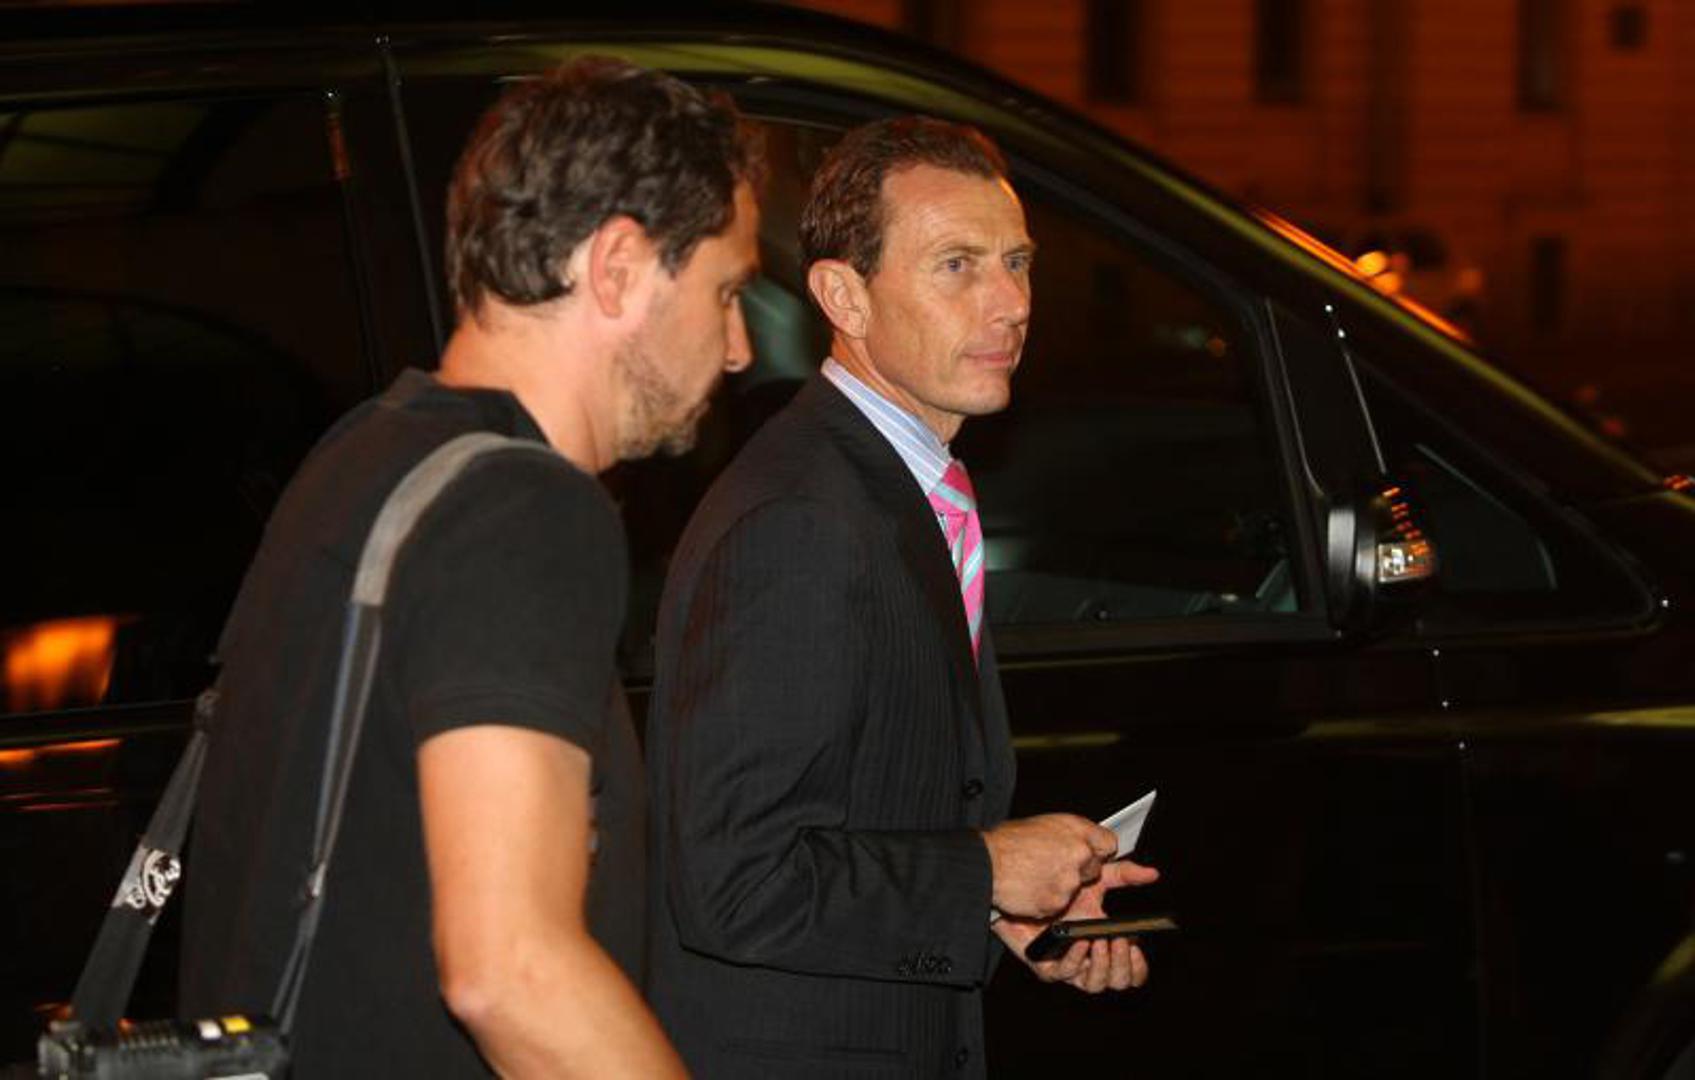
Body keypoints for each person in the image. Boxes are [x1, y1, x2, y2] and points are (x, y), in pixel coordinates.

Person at [180, 58, 762, 1077]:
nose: (741, 346)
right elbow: (511, 972)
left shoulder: (367, 455)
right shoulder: (524, 510)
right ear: (619, 267)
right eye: (725, 291)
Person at [644, 116, 1159, 1077]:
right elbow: (733, 879)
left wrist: (997, 908)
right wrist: (984, 870)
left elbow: (867, 814)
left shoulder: (894, 485)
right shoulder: (800, 520)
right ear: (844, 295)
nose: (1009, 304)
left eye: (1017, 263)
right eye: (956, 266)